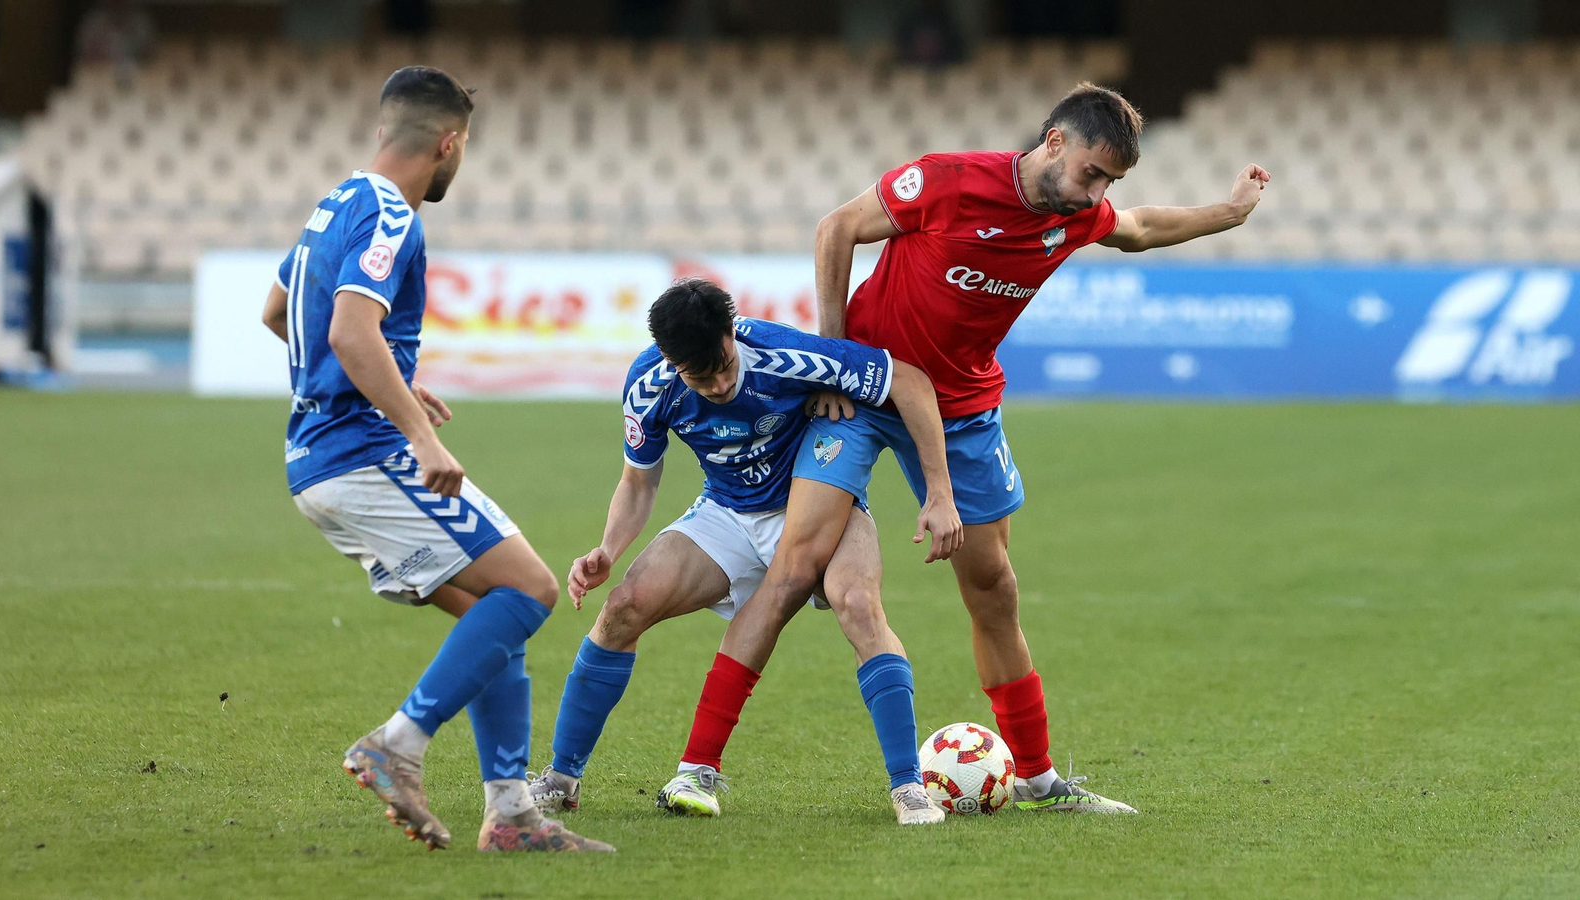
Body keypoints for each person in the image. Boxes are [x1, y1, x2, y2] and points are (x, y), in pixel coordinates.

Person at [672, 81, 1272, 814]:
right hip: (861, 392)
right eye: (1092, 173)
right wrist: (834, 358)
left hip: (961, 411)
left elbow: (1140, 228)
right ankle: (697, 767)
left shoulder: (1075, 216)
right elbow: (837, 227)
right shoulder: (948, 181)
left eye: (1109, 183)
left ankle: (1039, 779)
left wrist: (1231, 212)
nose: (1096, 194)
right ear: (1055, 142)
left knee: (994, 588)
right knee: (794, 570)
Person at [260, 66, 611, 853]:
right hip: (363, 455)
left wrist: (390, 381)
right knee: (531, 587)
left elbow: (280, 311)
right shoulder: (393, 214)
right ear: (449, 144)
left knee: (497, 616)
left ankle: (511, 816)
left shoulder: (334, 204)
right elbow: (349, 331)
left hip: (315, 460)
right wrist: (418, 431)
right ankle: (398, 743)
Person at [525, 278, 961, 826]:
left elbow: (910, 380)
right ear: (672, 362)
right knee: (622, 607)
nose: (720, 384)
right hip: (726, 512)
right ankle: (562, 778)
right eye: (700, 377)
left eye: (725, 366)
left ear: (732, 333)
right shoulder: (648, 384)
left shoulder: (783, 352)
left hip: (818, 506)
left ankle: (908, 787)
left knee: (858, 604)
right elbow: (638, 482)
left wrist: (939, 492)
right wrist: (608, 549)